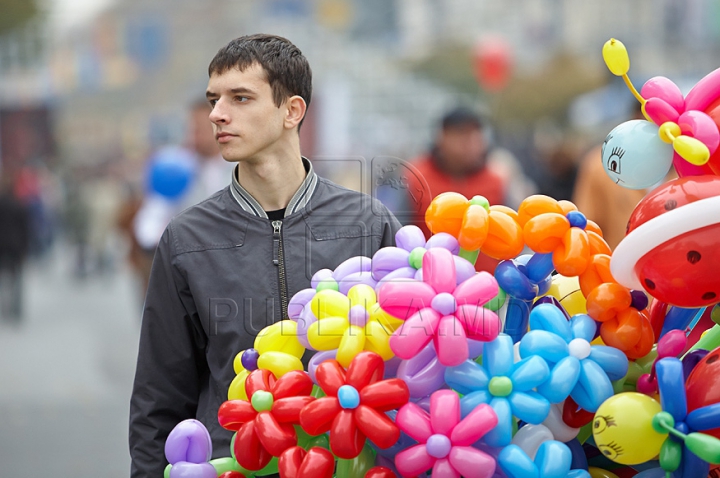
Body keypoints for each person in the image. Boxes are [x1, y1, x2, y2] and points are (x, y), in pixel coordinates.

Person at [129, 34, 400, 477]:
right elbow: (158, 398)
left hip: (351, 464)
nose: (217, 114)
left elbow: (406, 372)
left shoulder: (369, 223)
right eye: (214, 99)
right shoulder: (185, 238)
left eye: (240, 98)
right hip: (232, 465)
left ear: (292, 111)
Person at [405, 107, 509, 273]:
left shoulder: (496, 180)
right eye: (462, 134)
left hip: (488, 286)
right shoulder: (415, 178)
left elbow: (509, 234)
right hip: (430, 283)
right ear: (442, 137)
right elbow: (400, 231)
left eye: (476, 135)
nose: (470, 143)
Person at [0, 177, 30, 321]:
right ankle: (16, 310)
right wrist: (25, 249)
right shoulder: (19, 206)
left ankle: (3, 309)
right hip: (16, 247)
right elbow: (25, 230)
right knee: (17, 279)